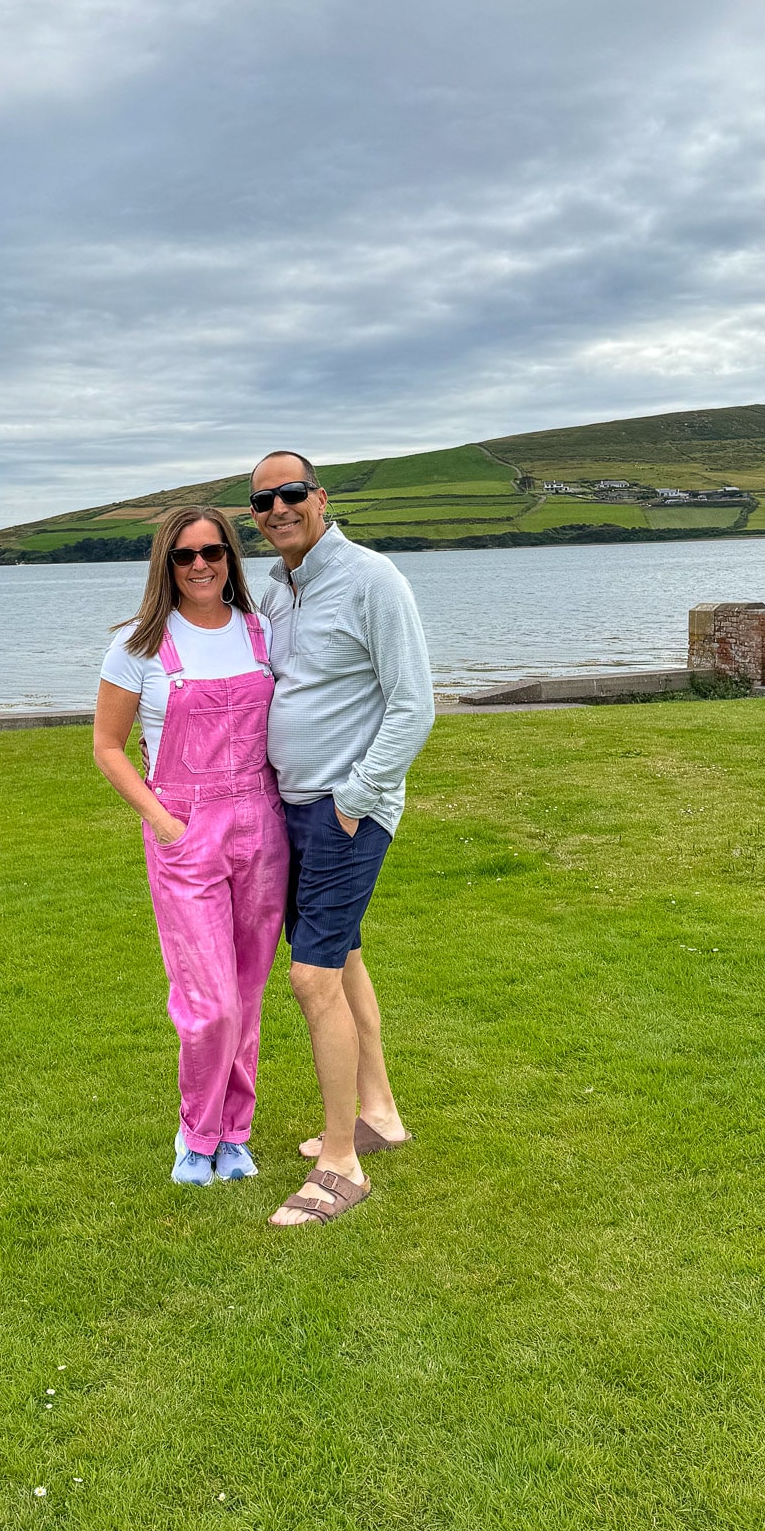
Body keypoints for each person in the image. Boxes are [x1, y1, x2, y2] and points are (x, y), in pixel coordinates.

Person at [251, 452, 435, 1227]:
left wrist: (356, 799)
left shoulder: (372, 579)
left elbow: (413, 702)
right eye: (263, 500)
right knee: (346, 955)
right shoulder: (276, 590)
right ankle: (381, 1112)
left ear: (320, 499)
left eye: (292, 493)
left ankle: (341, 1163)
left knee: (311, 978)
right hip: (290, 806)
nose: (279, 507)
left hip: (342, 809)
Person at [93, 506, 289, 1187]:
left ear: (231, 557)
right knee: (211, 1004)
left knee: (249, 992)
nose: (200, 564)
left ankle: (234, 1134)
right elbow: (108, 748)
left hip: (262, 828)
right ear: (165, 565)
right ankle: (194, 1132)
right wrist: (165, 821)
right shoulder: (139, 646)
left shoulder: (261, 632)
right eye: (184, 555)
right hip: (186, 831)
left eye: (212, 550)